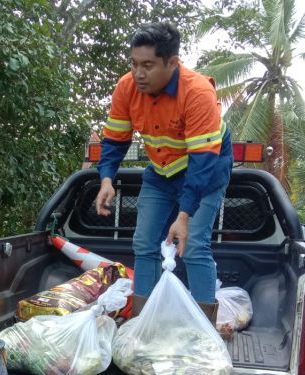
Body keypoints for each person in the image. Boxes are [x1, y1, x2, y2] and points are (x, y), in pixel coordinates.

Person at [95, 22, 233, 320]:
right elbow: (115, 139)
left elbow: (202, 162)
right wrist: (106, 179)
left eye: (148, 65)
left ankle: (203, 333)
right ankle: (142, 323)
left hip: (205, 169)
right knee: (144, 244)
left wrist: (183, 216)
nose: (138, 73)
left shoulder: (197, 93)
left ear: (172, 62)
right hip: (161, 171)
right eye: (134, 64)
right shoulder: (127, 88)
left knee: (193, 245)